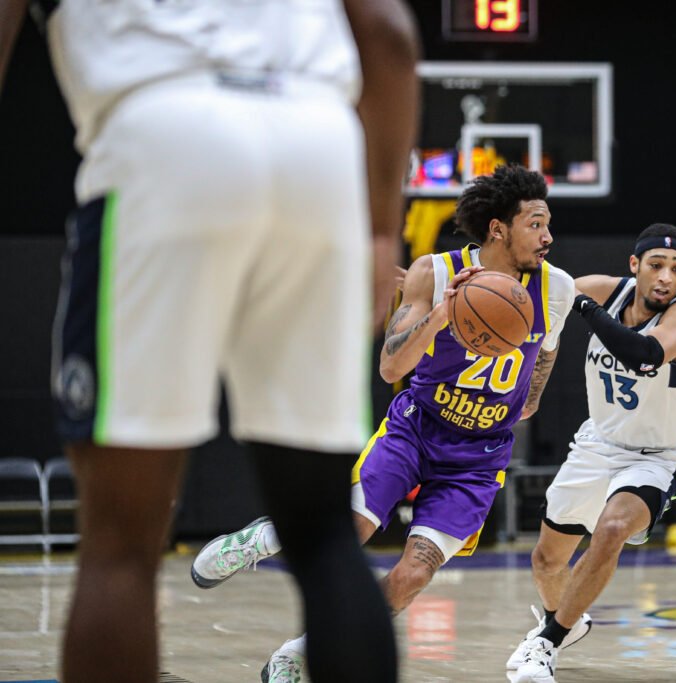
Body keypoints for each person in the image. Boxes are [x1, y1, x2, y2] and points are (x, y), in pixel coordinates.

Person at [1, 2, 419, 682]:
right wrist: (378, 230)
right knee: (324, 532)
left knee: (120, 541)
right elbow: (389, 35)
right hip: (317, 144)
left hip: (163, 131)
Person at [191, 164, 576, 679]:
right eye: (535, 224)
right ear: (498, 229)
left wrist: (521, 398)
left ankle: (300, 654)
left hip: (479, 457)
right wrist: (441, 316)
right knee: (349, 529)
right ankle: (259, 540)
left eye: (548, 224)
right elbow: (391, 367)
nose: (548, 236)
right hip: (416, 431)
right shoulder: (433, 273)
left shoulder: (556, 289)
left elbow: (541, 368)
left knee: (414, 575)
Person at [508, 223, 676, 683]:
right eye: (656, 265)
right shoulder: (604, 291)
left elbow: (645, 355)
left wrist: (582, 306)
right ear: (635, 265)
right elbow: (535, 289)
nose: (666, 277)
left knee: (613, 528)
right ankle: (566, 623)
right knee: (546, 562)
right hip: (598, 445)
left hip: (655, 457)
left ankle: (546, 643)